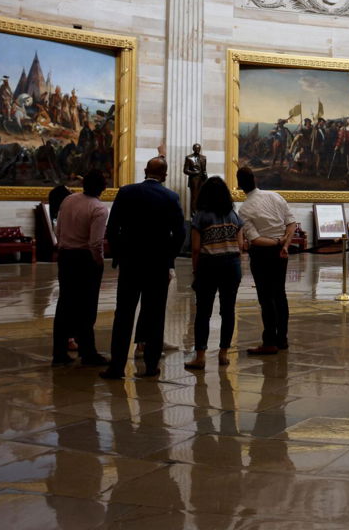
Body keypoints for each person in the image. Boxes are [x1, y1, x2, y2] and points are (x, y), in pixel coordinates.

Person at [100, 157, 185, 380]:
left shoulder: (126, 192)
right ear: (164, 175)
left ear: (145, 170)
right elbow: (180, 234)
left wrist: (120, 254)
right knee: (155, 314)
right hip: (157, 265)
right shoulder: (171, 197)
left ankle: (116, 366)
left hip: (130, 263)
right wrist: (168, 259)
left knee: (124, 314)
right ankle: (150, 365)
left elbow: (112, 228)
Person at [51, 169, 109, 366]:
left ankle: (58, 353)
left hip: (66, 256)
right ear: (103, 188)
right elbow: (96, 243)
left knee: (64, 304)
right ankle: (88, 352)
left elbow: (58, 229)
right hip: (85, 259)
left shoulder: (68, 200)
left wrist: (63, 246)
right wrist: (99, 261)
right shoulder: (99, 209)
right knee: (87, 306)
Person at [185, 176, 243, 369]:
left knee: (203, 312)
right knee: (228, 311)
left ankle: (200, 355)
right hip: (232, 265)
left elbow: (194, 248)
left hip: (209, 265)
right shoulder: (234, 215)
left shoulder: (200, 216)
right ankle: (223, 353)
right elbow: (241, 245)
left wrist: (195, 270)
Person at [237, 166, 296, 355]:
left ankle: (269, 341)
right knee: (280, 294)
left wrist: (278, 242)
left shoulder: (244, 209)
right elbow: (291, 224)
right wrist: (284, 245)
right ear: (255, 180)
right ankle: (282, 339)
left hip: (263, 254)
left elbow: (255, 240)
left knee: (266, 297)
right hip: (280, 253)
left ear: (240, 185)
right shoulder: (275, 196)